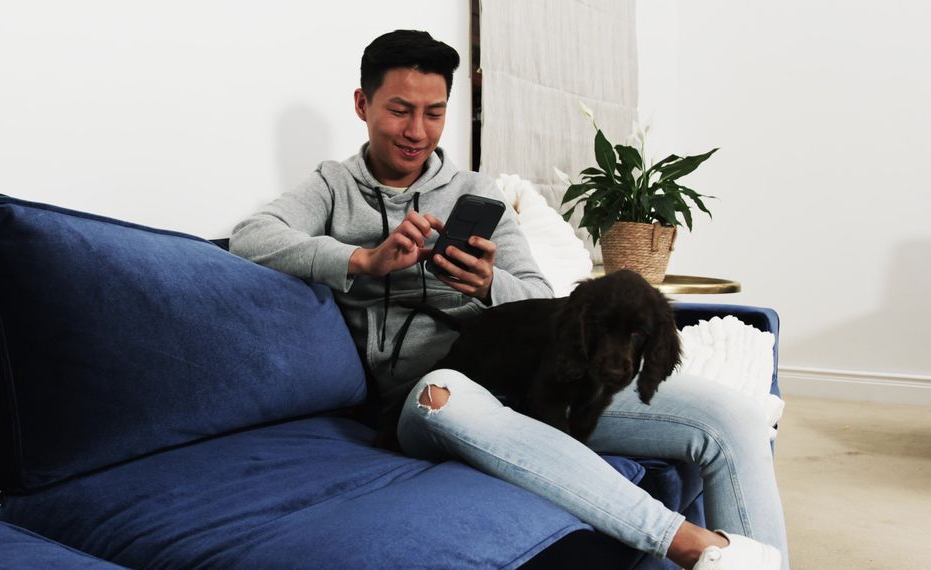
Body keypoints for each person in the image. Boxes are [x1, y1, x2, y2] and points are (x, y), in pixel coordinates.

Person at [230, 29, 788, 570]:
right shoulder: (332, 187)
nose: (417, 131)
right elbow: (251, 237)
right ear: (362, 104)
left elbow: (545, 302)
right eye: (399, 110)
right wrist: (363, 260)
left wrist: (489, 285)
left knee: (732, 419)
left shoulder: (476, 192)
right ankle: (689, 544)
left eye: (435, 112)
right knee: (446, 392)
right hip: (429, 398)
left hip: (537, 382)